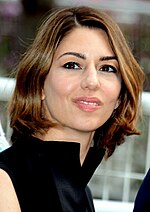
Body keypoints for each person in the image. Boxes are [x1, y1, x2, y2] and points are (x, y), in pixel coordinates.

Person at [0, 6, 144, 212]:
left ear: (120, 95)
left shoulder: (81, 192)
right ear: (39, 83)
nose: (92, 81)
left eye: (107, 68)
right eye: (72, 65)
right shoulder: (5, 182)